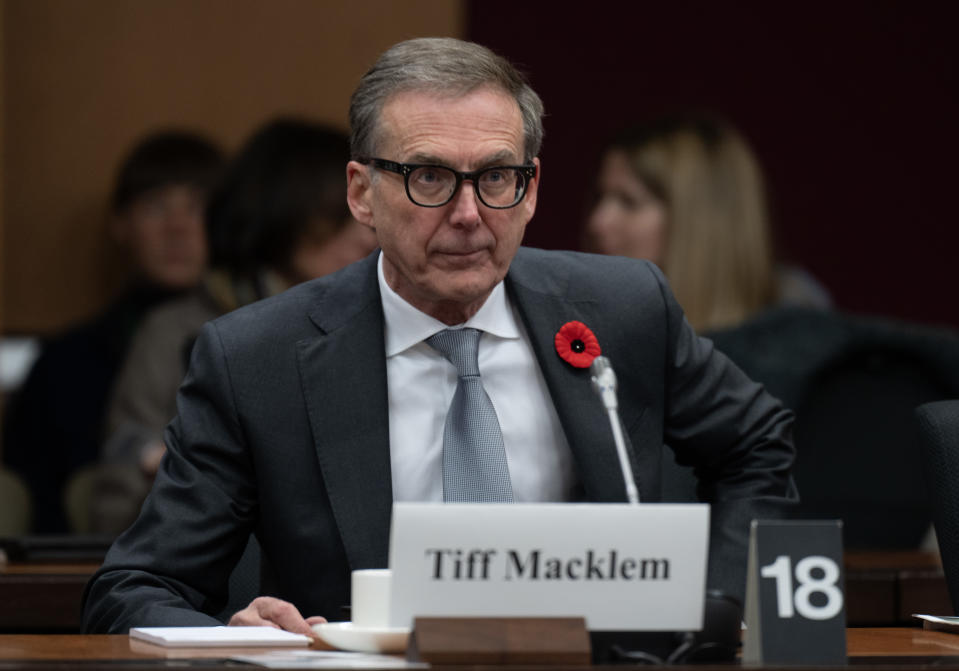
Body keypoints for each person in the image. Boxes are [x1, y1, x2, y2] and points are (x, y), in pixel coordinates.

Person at [82, 38, 796, 636]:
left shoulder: (620, 309)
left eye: (495, 177)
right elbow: (132, 588)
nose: (466, 213)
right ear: (361, 193)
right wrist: (243, 641)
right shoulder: (257, 358)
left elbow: (755, 444)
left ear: (533, 187)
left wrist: (718, 607)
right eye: (428, 177)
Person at [90, 119, 377, 534]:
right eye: (340, 214)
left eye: (369, 210)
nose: (367, 234)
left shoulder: (378, 315)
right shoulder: (179, 331)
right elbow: (117, 500)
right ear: (285, 214)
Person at [3, 130, 223, 533]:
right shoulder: (62, 363)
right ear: (121, 223)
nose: (176, 227)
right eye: (155, 207)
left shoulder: (251, 341)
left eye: (196, 207)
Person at [586, 116, 831, 333]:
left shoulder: (796, 328)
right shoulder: (588, 319)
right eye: (601, 198)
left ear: (696, 219)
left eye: (629, 202)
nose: (597, 222)